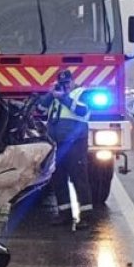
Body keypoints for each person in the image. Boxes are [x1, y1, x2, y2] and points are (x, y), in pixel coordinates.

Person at [37, 69, 95, 228]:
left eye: (67, 82)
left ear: (73, 81)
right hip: (57, 144)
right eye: (61, 82)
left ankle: (86, 217)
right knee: (58, 179)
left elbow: (83, 111)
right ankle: (64, 214)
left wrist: (64, 97)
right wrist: (50, 94)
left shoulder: (81, 93)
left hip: (75, 143)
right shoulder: (55, 95)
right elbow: (40, 109)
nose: (65, 85)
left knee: (79, 179)